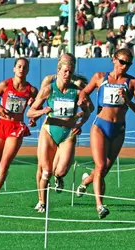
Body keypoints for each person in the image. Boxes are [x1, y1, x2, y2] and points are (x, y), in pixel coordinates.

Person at [76, 48, 135, 219]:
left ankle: (85, 181)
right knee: (100, 166)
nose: (124, 66)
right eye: (122, 62)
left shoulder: (133, 82)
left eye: (128, 64)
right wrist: (82, 100)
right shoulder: (100, 77)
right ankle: (100, 206)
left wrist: (127, 100)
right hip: (100, 126)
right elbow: (85, 92)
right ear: (114, 59)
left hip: (118, 129)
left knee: (104, 169)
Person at [29, 53, 94, 212]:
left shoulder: (77, 91)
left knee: (61, 171)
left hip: (68, 133)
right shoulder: (48, 87)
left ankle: (59, 178)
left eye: (70, 72)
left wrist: (81, 120)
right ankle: (42, 203)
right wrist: (41, 112)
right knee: (45, 170)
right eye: (64, 71)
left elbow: (89, 109)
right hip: (50, 130)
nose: (67, 74)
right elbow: (30, 112)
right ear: (58, 70)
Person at [0, 58, 38, 208]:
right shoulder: (5, 85)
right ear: (14, 69)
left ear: (28, 70)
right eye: (19, 66)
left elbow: (34, 110)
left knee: (4, 165)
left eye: (24, 67)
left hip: (16, 127)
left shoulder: (32, 90)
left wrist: (33, 118)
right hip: (1, 125)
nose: (21, 69)